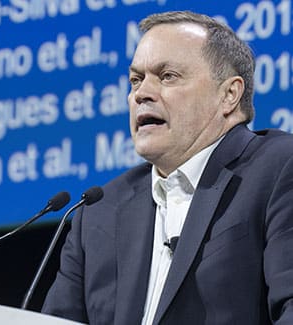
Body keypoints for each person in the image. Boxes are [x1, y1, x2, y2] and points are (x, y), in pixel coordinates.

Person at [42, 10, 293, 324]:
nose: (141, 94)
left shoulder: (279, 167)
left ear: (229, 94)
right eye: (136, 80)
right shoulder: (99, 212)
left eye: (167, 76)